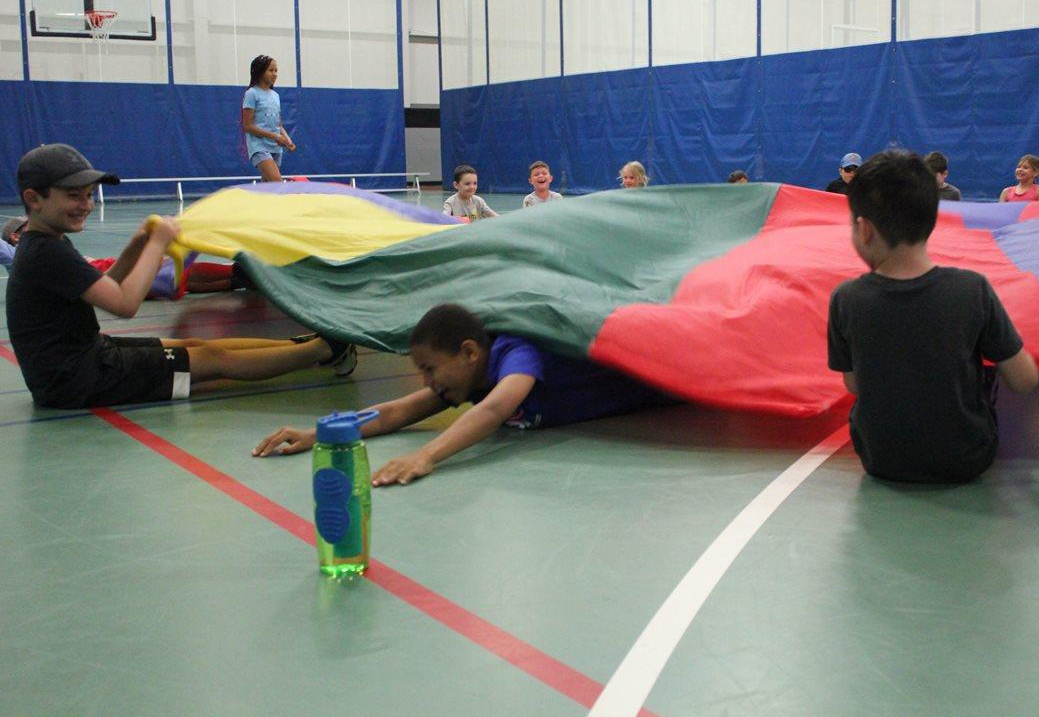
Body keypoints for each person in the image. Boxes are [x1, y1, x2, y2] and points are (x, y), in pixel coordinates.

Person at [6, 144, 356, 410]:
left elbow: (107, 284)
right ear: (33, 199)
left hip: (80, 362)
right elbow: (124, 304)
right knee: (213, 360)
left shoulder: (48, 242)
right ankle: (326, 349)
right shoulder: (46, 251)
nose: (85, 205)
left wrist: (137, 245)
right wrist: (158, 243)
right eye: (73, 196)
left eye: (87, 195)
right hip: (79, 380)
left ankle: (305, 345)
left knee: (195, 346)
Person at [254, 303, 675, 486]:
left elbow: (495, 410)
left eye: (429, 369)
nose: (425, 382)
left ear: (470, 353)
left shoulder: (516, 352)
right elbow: (396, 413)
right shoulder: (465, 381)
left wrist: (426, 455)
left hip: (669, 383)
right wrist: (322, 433)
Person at [826, 149, 1039, 483]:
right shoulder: (972, 289)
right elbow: (1024, 380)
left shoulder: (845, 298)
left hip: (881, 459)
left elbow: (854, 384)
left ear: (864, 229)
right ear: (932, 220)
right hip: (967, 458)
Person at [3, 213, 247, 297]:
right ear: (15, 236)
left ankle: (236, 278)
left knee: (175, 277)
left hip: (98, 268)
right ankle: (237, 275)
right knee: (171, 276)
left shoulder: (44, 248)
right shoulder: (22, 254)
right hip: (99, 274)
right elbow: (124, 306)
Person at [241, 55, 295, 183]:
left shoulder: (275, 96)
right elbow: (247, 126)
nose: (275, 74)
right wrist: (276, 137)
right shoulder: (251, 94)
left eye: (276, 71)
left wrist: (287, 139)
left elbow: (278, 124)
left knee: (269, 189)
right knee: (277, 183)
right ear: (260, 72)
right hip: (259, 147)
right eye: (270, 70)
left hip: (275, 148)